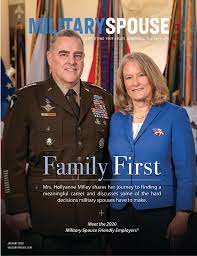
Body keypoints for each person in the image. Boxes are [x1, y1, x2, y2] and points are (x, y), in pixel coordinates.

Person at [2, 29, 114, 255]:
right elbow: (11, 159)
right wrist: (16, 207)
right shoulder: (27, 99)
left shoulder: (103, 98)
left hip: (92, 219)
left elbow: (109, 160)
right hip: (44, 220)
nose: (71, 61)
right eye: (64, 54)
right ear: (50, 57)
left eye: (78, 55)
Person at [108, 52, 196, 254]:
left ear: (152, 77)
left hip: (159, 213)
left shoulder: (174, 115)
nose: (135, 83)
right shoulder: (116, 119)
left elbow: (186, 170)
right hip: (119, 213)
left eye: (141, 75)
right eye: (128, 77)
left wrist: (183, 214)